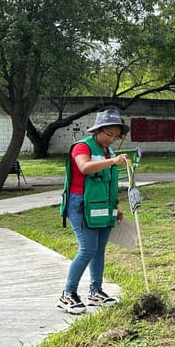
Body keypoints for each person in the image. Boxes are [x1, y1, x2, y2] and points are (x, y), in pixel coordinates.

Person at [58, 109, 130, 314]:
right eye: (109, 134)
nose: (112, 139)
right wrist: (113, 161)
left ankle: (96, 291)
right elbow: (84, 167)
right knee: (87, 249)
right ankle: (67, 294)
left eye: (116, 136)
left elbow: (106, 183)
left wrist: (114, 209)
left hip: (103, 205)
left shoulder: (108, 152)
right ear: (97, 130)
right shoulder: (82, 147)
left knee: (99, 250)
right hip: (80, 204)